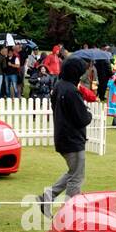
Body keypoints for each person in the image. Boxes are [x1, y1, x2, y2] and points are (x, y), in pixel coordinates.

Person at [40, 57, 93, 216]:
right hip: (73, 139)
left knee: (72, 172)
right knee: (76, 178)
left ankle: (47, 197)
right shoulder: (71, 91)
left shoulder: (59, 86)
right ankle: (70, 213)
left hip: (63, 136)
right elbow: (82, 118)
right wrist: (88, 113)